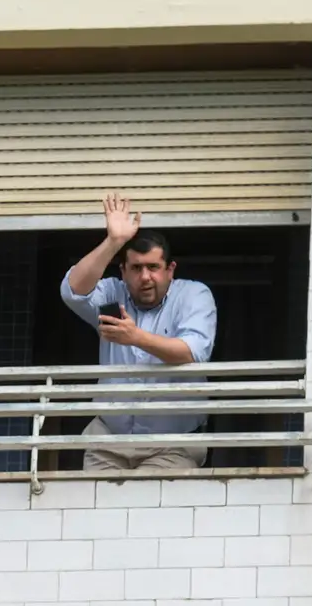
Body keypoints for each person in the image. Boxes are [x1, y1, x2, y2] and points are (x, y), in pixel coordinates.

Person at [59, 194, 218, 472]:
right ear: (123, 271)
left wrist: (135, 337)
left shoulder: (194, 294)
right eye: (136, 268)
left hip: (172, 444)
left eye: (153, 267)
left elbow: (192, 352)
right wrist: (113, 242)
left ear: (170, 270)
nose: (145, 277)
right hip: (109, 438)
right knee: (96, 511)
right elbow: (72, 291)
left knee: (147, 512)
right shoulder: (112, 291)